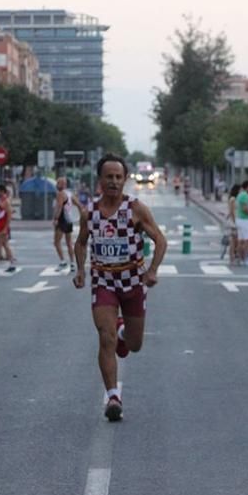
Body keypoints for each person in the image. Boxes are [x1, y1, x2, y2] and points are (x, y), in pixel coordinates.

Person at [73, 154, 167, 421]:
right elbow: (80, 243)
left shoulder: (136, 209)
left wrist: (152, 270)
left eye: (118, 177)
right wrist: (80, 270)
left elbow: (160, 240)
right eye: (108, 177)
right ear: (100, 180)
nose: (113, 181)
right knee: (105, 336)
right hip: (103, 282)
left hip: (133, 282)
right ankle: (113, 396)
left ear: (124, 180)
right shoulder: (89, 212)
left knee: (134, 345)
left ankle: (124, 330)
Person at [53, 177, 82, 271]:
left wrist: (56, 219)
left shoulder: (60, 194)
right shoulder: (70, 194)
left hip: (62, 220)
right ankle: (72, 263)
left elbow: (59, 207)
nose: (57, 184)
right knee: (69, 243)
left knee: (57, 242)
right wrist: (81, 215)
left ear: (63, 184)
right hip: (69, 220)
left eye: (58, 183)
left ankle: (63, 261)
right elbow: (79, 205)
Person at [234, 181, 248, 265]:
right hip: (245, 220)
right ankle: (245, 258)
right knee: (247, 240)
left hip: (239, 219)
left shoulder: (239, 195)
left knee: (240, 240)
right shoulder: (245, 195)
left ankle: (239, 257)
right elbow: (245, 208)